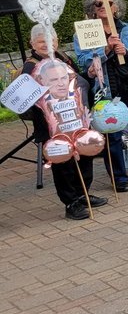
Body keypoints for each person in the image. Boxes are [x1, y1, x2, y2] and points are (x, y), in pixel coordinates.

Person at [74, 0, 128, 188]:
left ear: (116, 8)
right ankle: (119, 178)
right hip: (107, 92)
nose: (104, 6)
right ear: (92, 9)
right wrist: (106, 50)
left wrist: (126, 52)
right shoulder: (85, 33)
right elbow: (84, 62)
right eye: (98, 4)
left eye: (108, 3)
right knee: (111, 136)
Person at [22, 27, 107, 220]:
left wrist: (91, 74)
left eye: (50, 40)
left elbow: (78, 82)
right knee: (63, 164)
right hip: (52, 128)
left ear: (57, 41)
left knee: (85, 156)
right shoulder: (30, 66)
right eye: (41, 41)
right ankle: (70, 203)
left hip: (76, 121)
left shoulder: (62, 57)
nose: (47, 45)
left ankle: (83, 194)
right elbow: (26, 100)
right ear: (32, 43)